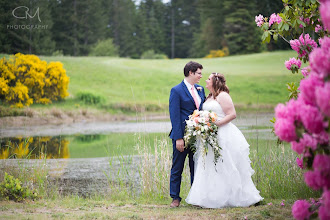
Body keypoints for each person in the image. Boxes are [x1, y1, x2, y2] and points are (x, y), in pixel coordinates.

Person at [185, 72, 263, 208]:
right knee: (209, 165)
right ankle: (209, 198)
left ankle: (236, 197)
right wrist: (202, 122)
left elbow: (232, 114)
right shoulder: (209, 96)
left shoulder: (223, 95)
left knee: (226, 165)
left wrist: (217, 124)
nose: (206, 80)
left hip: (224, 134)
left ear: (215, 82)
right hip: (210, 135)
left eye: (208, 79)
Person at [169, 61, 206, 208]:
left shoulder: (200, 89)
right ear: (190, 72)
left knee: (196, 166)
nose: (201, 76)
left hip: (197, 136)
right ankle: (175, 198)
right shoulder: (176, 90)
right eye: (199, 73)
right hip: (182, 136)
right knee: (177, 167)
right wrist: (179, 138)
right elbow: (174, 116)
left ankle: (195, 197)